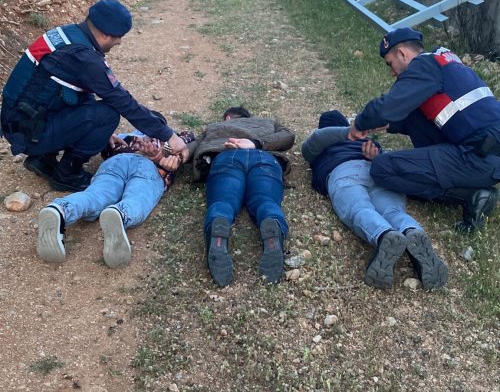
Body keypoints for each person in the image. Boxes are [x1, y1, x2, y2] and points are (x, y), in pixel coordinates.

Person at [1, 0, 186, 192]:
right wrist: (169, 136)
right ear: (105, 34)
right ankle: (67, 175)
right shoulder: (84, 57)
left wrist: (104, 134)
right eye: (118, 37)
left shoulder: (70, 34)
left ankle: (43, 158)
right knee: (108, 114)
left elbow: (79, 87)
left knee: (88, 109)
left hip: (22, 123)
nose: (119, 42)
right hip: (28, 133)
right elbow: (123, 101)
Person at [349, 27, 500, 232]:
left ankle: (470, 195)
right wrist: (389, 124)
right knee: (415, 112)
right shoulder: (441, 60)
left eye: (390, 64)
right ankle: (466, 182)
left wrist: (359, 124)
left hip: (478, 156)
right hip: (486, 149)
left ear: (402, 53)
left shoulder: (423, 66)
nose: (392, 72)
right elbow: (417, 116)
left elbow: (386, 108)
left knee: (382, 168)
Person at [302, 110, 448, 290]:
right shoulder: (367, 142)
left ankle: (384, 234)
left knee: (359, 208)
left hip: (344, 171)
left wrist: (348, 132)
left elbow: (316, 138)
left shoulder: (320, 148)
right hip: (378, 172)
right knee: (394, 212)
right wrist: (375, 155)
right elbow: (388, 161)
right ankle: (411, 230)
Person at [36, 125, 194, 268]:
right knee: (138, 198)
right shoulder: (169, 139)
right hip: (149, 168)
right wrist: (167, 153)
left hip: (116, 162)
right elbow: (189, 138)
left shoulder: (123, 138)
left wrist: (109, 136)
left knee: (95, 195)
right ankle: (121, 213)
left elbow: (104, 147)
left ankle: (62, 209)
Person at [186, 106, 295, 286]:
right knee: (266, 201)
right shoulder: (267, 123)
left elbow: (189, 149)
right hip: (263, 158)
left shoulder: (213, 128)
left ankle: (218, 227)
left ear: (228, 118)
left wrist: (173, 156)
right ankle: (273, 225)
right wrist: (257, 143)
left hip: (226, 157)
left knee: (223, 202)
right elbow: (288, 136)